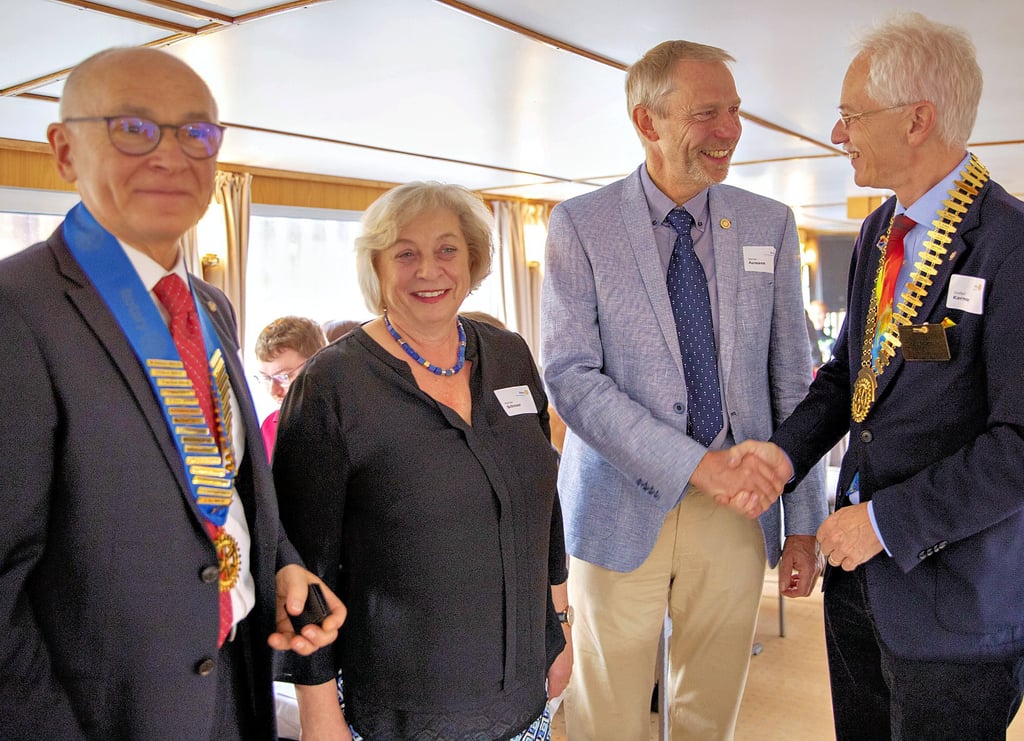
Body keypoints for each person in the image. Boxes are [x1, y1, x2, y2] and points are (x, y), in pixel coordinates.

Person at [0, 47, 345, 739]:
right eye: (133, 127)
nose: (170, 155)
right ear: (64, 150)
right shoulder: (16, 310)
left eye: (196, 133)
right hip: (107, 711)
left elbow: (218, 476)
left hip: (235, 679)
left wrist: (278, 566)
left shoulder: (210, 307)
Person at [541, 39, 828, 739]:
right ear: (648, 121)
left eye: (734, 109)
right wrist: (696, 464)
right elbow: (572, 377)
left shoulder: (770, 223)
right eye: (707, 112)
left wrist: (806, 525)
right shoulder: (579, 225)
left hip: (738, 509)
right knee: (606, 710)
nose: (729, 129)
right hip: (617, 503)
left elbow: (795, 380)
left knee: (711, 708)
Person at [770, 13, 1024, 739]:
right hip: (855, 578)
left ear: (918, 120)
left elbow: (1020, 443)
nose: (838, 135)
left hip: (955, 600)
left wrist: (884, 522)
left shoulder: (1011, 246)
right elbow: (852, 373)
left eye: (851, 116)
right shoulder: (881, 233)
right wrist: (784, 453)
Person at [272, 181, 571, 739]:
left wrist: (559, 625)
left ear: (473, 259)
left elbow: (541, 502)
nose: (428, 270)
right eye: (405, 253)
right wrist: (318, 711)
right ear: (377, 269)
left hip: (524, 695)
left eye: (446, 249)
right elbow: (302, 563)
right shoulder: (332, 384)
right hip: (403, 709)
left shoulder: (508, 355)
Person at [254, 315, 327, 458]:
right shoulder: (270, 426)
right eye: (266, 378)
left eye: (283, 377)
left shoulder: (347, 425)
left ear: (318, 366)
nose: (273, 391)